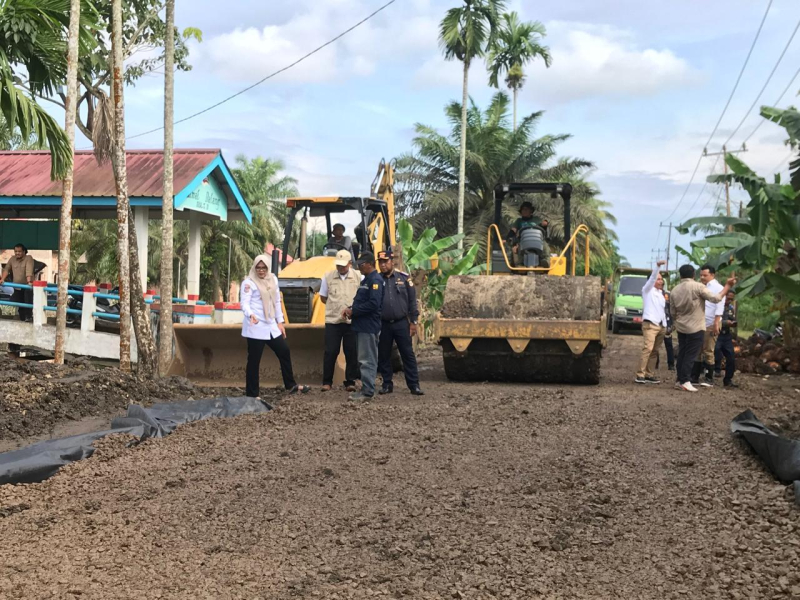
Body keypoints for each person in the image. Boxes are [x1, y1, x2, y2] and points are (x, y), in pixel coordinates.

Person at [241, 254, 310, 398]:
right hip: (256, 326)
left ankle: (290, 385)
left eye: (264, 267)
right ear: (254, 267)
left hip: (271, 324)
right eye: (258, 268)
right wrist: (250, 315)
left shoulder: (273, 279)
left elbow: (277, 302)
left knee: (284, 351)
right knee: (254, 360)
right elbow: (245, 304)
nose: (261, 271)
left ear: (268, 267)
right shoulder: (249, 283)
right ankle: (252, 394)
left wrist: (280, 322)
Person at [670, 264, 735, 392]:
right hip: (696, 327)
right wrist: (727, 286)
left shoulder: (675, 290)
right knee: (691, 354)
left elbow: (672, 311)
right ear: (693, 275)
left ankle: (679, 379)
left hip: (681, 327)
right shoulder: (698, 287)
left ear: (680, 275)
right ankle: (685, 380)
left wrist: (677, 321)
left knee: (682, 352)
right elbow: (716, 299)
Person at [376, 248, 424, 396]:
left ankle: (413, 385)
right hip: (383, 324)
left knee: (407, 354)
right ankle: (387, 384)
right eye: (380, 263)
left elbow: (412, 302)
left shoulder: (404, 278)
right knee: (383, 355)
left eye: (385, 262)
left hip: (401, 323)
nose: (383, 265)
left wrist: (414, 321)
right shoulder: (377, 280)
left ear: (392, 262)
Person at [342, 252, 384, 401]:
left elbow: (373, 304)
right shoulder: (366, 280)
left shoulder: (375, 281)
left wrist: (354, 311)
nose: (359, 266)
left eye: (361, 264)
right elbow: (362, 301)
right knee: (363, 359)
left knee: (367, 359)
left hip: (368, 326)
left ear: (370, 264)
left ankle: (367, 392)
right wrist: (351, 308)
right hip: (361, 325)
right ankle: (367, 388)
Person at [319, 249, 361, 392]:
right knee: (330, 351)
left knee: (351, 351)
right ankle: (327, 382)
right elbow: (323, 297)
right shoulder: (327, 277)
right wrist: (336, 307)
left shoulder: (358, 277)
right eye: (338, 265)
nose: (340, 268)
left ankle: (350, 381)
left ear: (350, 264)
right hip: (333, 321)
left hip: (352, 321)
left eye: (343, 265)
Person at [691, 264, 725, 387]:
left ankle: (709, 377)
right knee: (697, 349)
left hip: (711, 322)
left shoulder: (718, 287)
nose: (702, 277)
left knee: (708, 350)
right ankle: (694, 376)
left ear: (712, 275)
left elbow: (719, 307)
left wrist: (716, 323)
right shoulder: (700, 287)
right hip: (699, 323)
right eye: (700, 275)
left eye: (705, 275)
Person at [635, 260, 667, 384]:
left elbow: (663, 310)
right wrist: (658, 267)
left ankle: (649, 373)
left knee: (655, 351)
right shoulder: (647, 291)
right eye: (658, 279)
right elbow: (652, 277)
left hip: (661, 325)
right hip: (650, 325)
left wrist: (666, 325)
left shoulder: (661, 294)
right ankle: (640, 374)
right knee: (647, 349)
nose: (660, 281)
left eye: (661, 279)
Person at [506, 201, 550, 268]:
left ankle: (545, 261)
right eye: (523, 209)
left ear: (531, 211)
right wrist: (508, 239)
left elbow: (543, 225)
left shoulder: (537, 220)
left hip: (537, 240)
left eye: (526, 209)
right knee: (517, 248)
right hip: (523, 241)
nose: (524, 211)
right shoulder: (519, 221)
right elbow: (513, 230)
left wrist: (545, 224)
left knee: (545, 246)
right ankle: (519, 264)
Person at [0, 243, 35, 323]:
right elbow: (6, 269)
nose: (17, 253)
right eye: (15, 251)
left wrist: (29, 282)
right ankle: (23, 318)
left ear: (24, 251)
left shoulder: (28, 258)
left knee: (27, 303)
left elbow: (29, 271)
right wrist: (2, 279)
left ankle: (28, 318)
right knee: (19, 305)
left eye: (19, 251)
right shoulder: (12, 259)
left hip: (27, 287)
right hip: (17, 287)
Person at [714, 291, 738, 388]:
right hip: (717, 334)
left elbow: (732, 319)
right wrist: (724, 323)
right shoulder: (716, 306)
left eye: (731, 299)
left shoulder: (731, 308)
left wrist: (733, 323)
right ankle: (709, 375)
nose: (729, 301)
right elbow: (713, 319)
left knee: (731, 357)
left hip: (727, 335)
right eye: (728, 298)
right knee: (714, 354)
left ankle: (728, 380)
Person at [663, 290, 675, 371]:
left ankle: (671, 364)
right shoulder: (650, 292)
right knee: (654, 345)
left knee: (669, 344)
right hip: (657, 322)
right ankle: (654, 364)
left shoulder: (667, 294)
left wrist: (671, 324)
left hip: (667, 323)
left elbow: (672, 309)